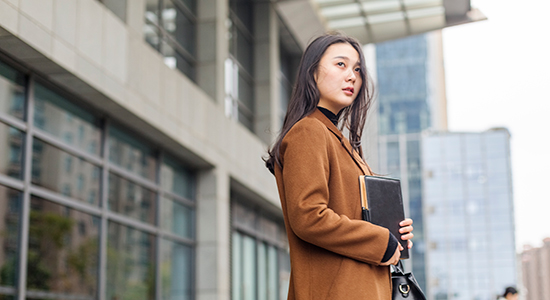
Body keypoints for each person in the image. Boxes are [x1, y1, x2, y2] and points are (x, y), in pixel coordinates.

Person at [265, 32, 414, 299]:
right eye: (341, 64)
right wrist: (381, 241)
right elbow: (309, 217)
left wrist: (394, 232)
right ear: (312, 73)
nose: (352, 76)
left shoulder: (338, 141)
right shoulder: (309, 131)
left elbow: (353, 214)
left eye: (357, 69)